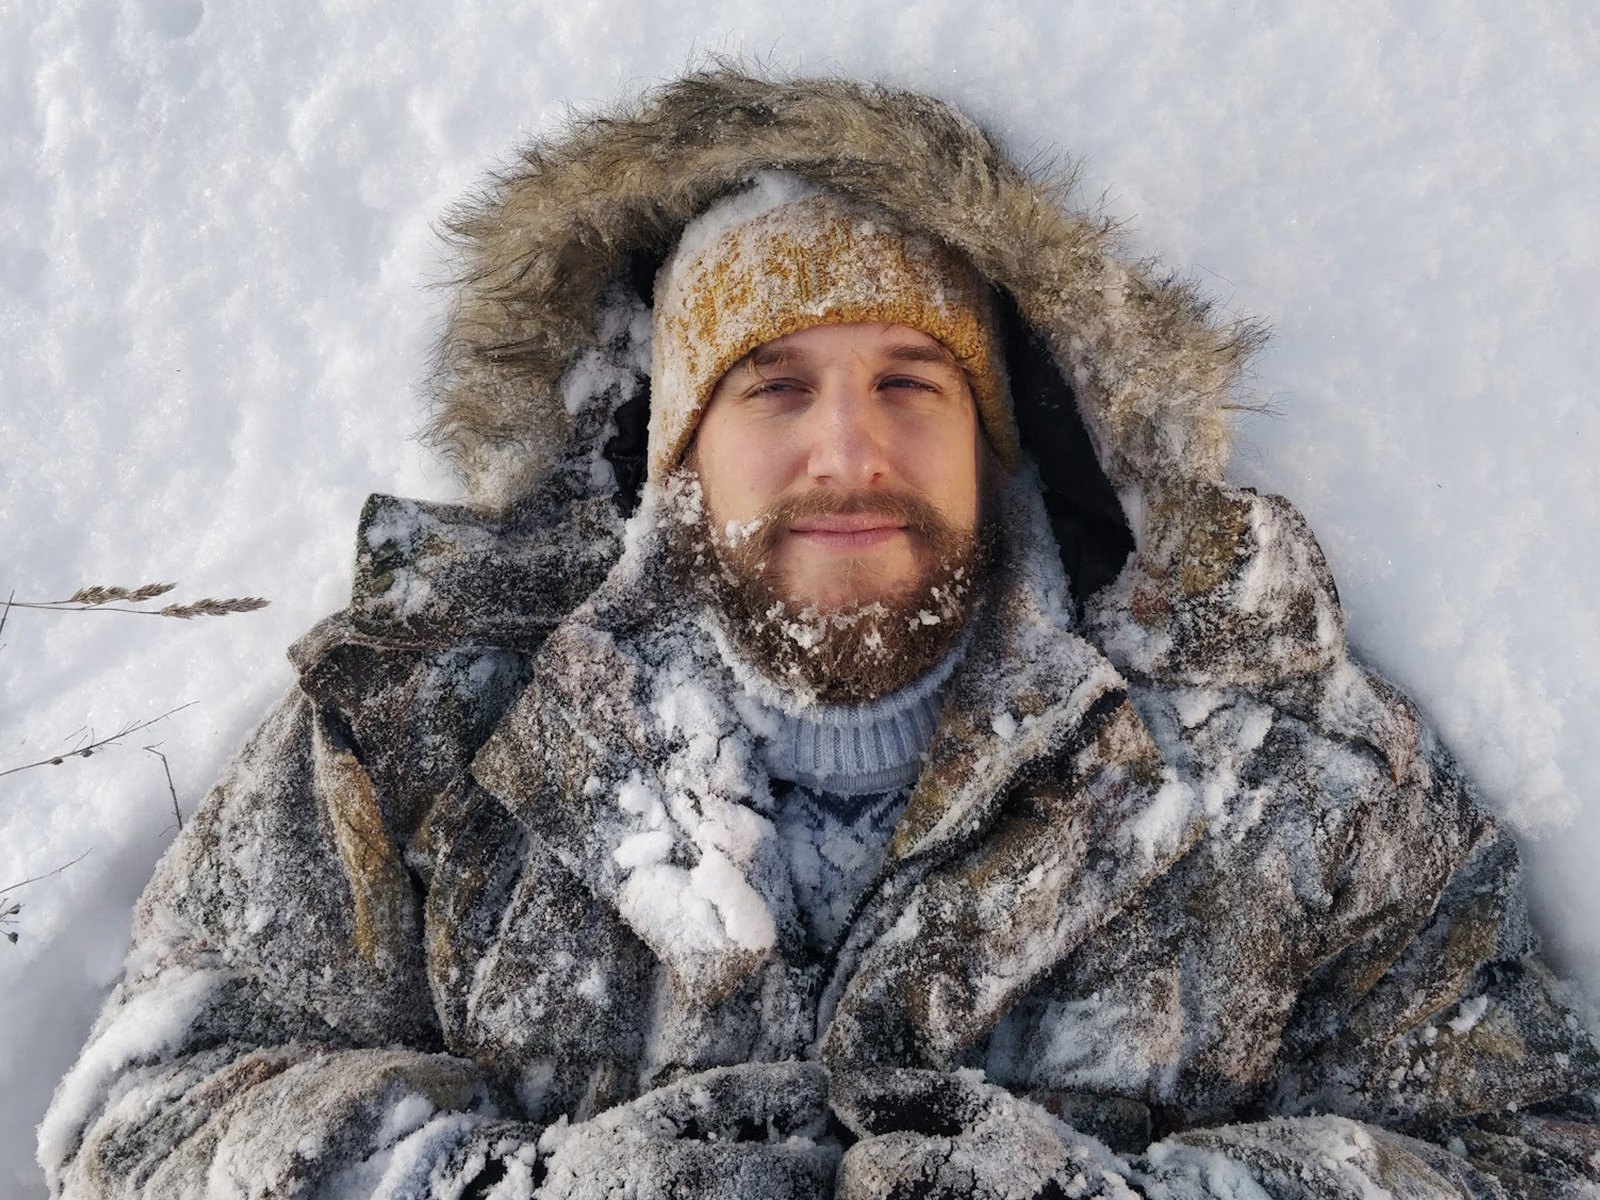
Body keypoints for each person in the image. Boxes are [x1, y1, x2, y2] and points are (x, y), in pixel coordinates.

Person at [40, 68, 1600, 1200]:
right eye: (773, 388)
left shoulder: (1274, 769)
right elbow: (146, 1124)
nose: (847, 452)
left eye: (911, 384)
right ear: (678, 450)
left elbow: (1534, 1146)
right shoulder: (415, 731)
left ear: (989, 437)